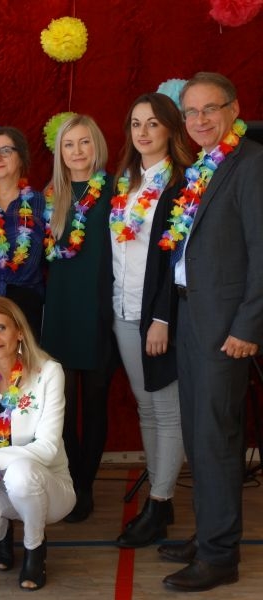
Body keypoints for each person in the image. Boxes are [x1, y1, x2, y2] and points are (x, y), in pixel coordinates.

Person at [156, 72, 263, 592]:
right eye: (191, 112)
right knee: (199, 434)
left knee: (217, 438)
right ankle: (209, 534)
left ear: (234, 109)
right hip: (193, 318)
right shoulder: (203, 165)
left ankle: (220, 556)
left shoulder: (252, 164)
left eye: (209, 109)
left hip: (226, 329)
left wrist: (248, 324)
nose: (198, 120)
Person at [109, 93, 192, 548]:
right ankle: (161, 494)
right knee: (147, 407)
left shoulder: (180, 185)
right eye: (136, 123)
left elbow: (178, 259)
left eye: (153, 123)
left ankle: (159, 503)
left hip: (157, 315)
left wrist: (162, 318)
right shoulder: (124, 182)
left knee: (167, 409)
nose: (143, 132)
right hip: (122, 310)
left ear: (171, 129)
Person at [0, 296, 74, 591]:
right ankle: (1, 534)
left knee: (21, 472)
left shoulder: (48, 372)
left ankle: (35, 548)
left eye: (1, 328)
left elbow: (47, 448)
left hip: (48, 487)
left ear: (19, 331)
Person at [40, 114, 114, 522]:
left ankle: (87, 486)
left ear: (96, 145)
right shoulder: (51, 196)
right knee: (63, 406)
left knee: (96, 402)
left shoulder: (116, 192)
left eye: (84, 142)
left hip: (100, 309)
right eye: (69, 144)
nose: (77, 151)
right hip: (62, 311)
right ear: (60, 153)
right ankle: (69, 483)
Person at [0, 127, 46, 339]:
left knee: (26, 361)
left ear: (21, 157)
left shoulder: (41, 203)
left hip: (27, 304)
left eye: (6, 151)